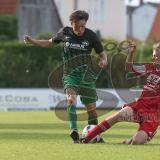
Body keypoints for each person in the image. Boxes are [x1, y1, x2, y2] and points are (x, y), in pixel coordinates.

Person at [79, 42, 160, 144]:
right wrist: (131, 53)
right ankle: (87, 138)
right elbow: (129, 68)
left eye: (155, 56)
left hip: (153, 114)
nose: (152, 58)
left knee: (137, 142)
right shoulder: (150, 67)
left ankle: (138, 137)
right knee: (116, 116)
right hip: (139, 106)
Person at [24, 10, 107, 143]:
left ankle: (94, 136)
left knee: (92, 111)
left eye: (83, 26)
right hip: (70, 75)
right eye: (77, 26)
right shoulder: (65, 32)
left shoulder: (91, 35)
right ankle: (74, 131)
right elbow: (49, 43)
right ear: (71, 23)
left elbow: (102, 53)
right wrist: (33, 41)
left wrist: (103, 60)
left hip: (86, 77)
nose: (80, 29)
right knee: (71, 99)